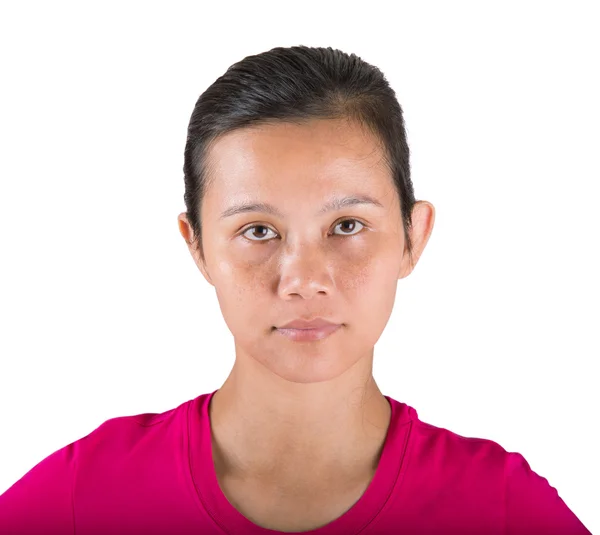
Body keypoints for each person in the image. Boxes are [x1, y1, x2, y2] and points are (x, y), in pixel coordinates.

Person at [0, 45, 591, 535]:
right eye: (258, 230)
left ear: (414, 236)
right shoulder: (86, 496)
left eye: (347, 226)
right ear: (197, 245)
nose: (305, 279)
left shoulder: (500, 509)